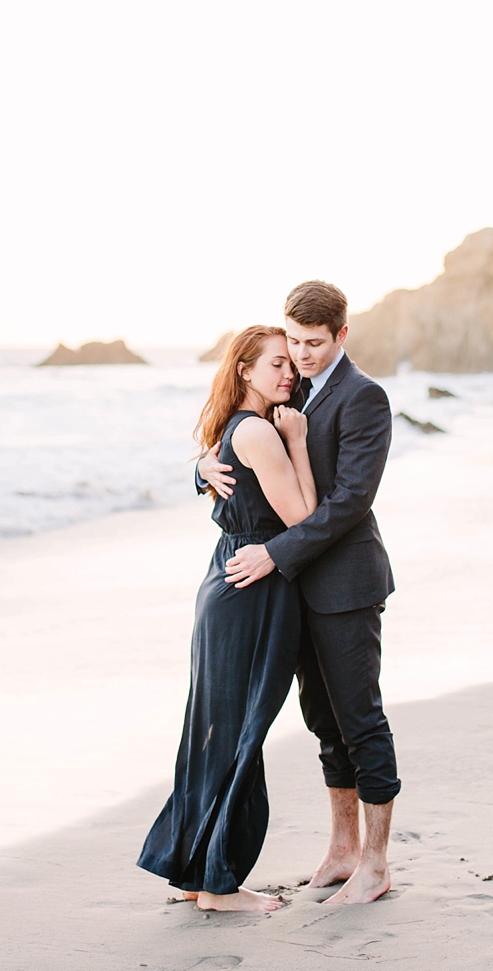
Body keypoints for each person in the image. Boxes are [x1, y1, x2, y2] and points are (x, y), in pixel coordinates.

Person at [198, 280, 400, 905]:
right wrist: (200, 465)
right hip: (293, 592)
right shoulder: (290, 386)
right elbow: (238, 436)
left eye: (315, 343)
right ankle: (340, 850)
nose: (302, 356)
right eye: (294, 343)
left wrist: (275, 552)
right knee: (322, 725)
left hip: (344, 585)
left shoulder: (365, 398)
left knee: (359, 719)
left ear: (342, 334)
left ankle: (376, 862)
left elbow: (348, 503)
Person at [137, 325, 318, 912]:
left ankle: (194, 872)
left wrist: (200, 471)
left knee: (215, 730)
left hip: (227, 581)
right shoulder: (262, 432)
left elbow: (212, 473)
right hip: (253, 589)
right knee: (239, 731)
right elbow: (305, 518)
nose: (289, 374)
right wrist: (297, 442)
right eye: (276, 364)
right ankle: (218, 885)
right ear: (244, 369)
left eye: (292, 365)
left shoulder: (229, 428)